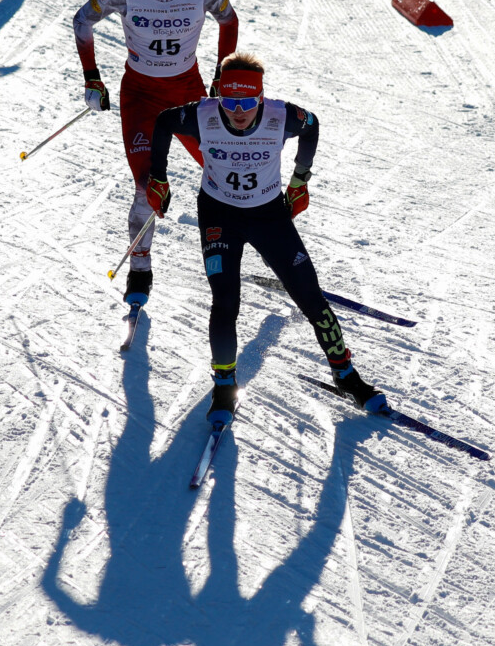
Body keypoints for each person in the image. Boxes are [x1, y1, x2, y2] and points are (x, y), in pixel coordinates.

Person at [146, 51, 387, 424]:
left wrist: (300, 180)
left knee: (310, 295)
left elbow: (312, 126)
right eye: (229, 101)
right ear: (218, 96)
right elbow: (162, 123)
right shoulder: (202, 114)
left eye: (246, 101)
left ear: (261, 97)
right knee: (225, 300)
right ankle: (224, 384)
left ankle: (346, 375)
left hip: (268, 215)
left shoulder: (281, 115)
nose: (237, 111)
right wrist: (157, 177)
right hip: (219, 217)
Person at [72, 0, 239, 306]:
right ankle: (140, 269)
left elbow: (229, 21)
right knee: (147, 188)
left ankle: (264, 239)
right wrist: (92, 78)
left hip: (187, 92)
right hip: (141, 96)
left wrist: (221, 75)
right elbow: (82, 20)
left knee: (224, 164)